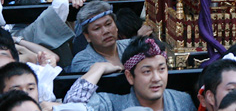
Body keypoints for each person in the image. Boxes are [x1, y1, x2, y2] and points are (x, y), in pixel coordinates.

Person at [64, 36, 195, 111]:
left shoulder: (182, 101)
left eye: (161, 69)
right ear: (130, 76)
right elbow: (72, 105)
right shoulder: (113, 104)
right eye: (147, 71)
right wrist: (98, 68)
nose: (156, 78)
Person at [68, 1, 131, 72]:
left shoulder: (131, 45)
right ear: (87, 36)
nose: (106, 31)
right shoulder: (81, 61)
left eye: (108, 24)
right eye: (97, 28)